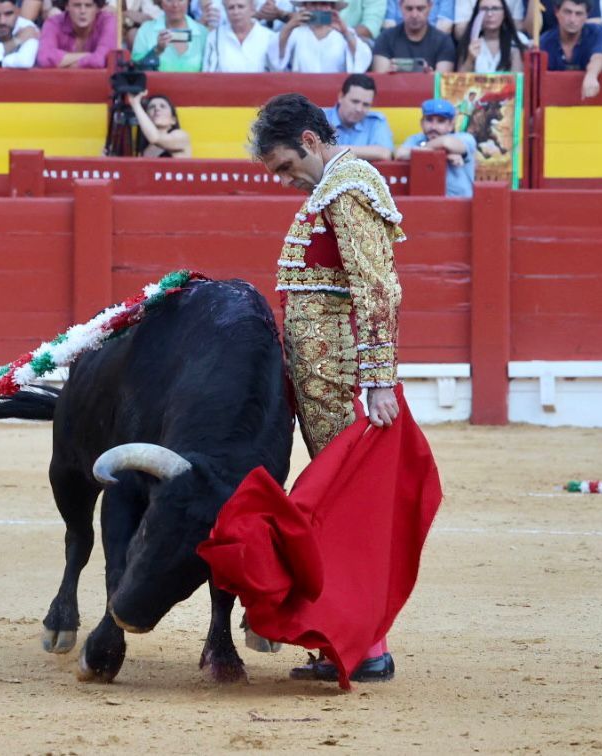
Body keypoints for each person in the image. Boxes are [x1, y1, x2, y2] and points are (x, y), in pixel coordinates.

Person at [249, 93, 404, 683]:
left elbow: (379, 288)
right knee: (334, 504)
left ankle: (366, 647)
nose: (286, 181)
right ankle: (352, 640)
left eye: (287, 166)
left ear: (310, 141)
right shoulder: (330, 185)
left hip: (340, 376)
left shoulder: (347, 185)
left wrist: (379, 380)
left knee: (341, 506)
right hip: (323, 373)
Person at [395, 98, 477, 198]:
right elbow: (399, 154)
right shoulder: (416, 139)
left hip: (462, 205)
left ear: (451, 125)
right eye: (429, 120)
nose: (434, 127)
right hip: (425, 204)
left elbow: (446, 142)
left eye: (440, 121)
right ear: (422, 123)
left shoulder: (465, 138)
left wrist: (423, 150)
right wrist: (444, 154)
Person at [269, 0, 373, 71]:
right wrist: (289, 26)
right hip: (302, 94)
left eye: (323, 4)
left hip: (334, 92)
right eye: (313, 4)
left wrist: (345, 32)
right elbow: (276, 58)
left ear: (332, 8)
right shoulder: (295, 31)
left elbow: (363, 58)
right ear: (305, 7)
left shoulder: (344, 31)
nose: (318, 8)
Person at [539, 0, 602, 101]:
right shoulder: (544, 41)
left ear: (586, 16)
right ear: (557, 12)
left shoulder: (598, 32)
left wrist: (592, 75)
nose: (572, 19)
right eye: (567, 12)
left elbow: (599, 56)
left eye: (578, 14)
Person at [324, 74, 395, 162]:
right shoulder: (320, 118)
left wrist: (337, 150)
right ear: (341, 97)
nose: (359, 109)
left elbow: (385, 153)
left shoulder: (375, 121)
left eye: (366, 104)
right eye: (355, 101)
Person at [372, 0, 456, 72]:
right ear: (400, 6)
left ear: (430, 7)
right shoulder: (385, 38)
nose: (414, 15)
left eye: (420, 9)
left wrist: (428, 74)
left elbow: (441, 84)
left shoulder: (443, 41)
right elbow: (381, 80)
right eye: (409, 9)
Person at [132, 0, 208, 71]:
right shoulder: (146, 30)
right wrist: (157, 51)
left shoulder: (202, 32)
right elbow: (136, 71)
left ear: (188, 1)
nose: (175, 4)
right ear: (160, 2)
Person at [36, 0, 116, 68]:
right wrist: (89, 55)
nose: (82, 11)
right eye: (77, 5)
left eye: (88, 6)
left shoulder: (108, 21)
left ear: (98, 8)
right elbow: (44, 57)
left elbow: (99, 60)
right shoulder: (54, 22)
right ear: (67, 6)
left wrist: (64, 64)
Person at [202, 0, 274, 70]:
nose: (236, 12)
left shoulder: (269, 37)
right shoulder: (214, 37)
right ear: (225, 11)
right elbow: (209, 74)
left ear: (252, 9)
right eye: (231, 7)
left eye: (241, 6)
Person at [455, 0, 525, 71]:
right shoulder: (468, 41)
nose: (490, 14)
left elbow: (519, 80)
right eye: (484, 9)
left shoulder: (518, 41)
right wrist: (470, 59)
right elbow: (459, 79)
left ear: (504, 13)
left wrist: (516, 56)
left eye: (495, 8)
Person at [129, 91, 192, 157]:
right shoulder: (144, 150)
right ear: (146, 117)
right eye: (152, 107)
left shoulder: (181, 136)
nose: (157, 109)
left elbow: (155, 138)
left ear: (173, 120)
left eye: (163, 106)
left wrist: (135, 103)